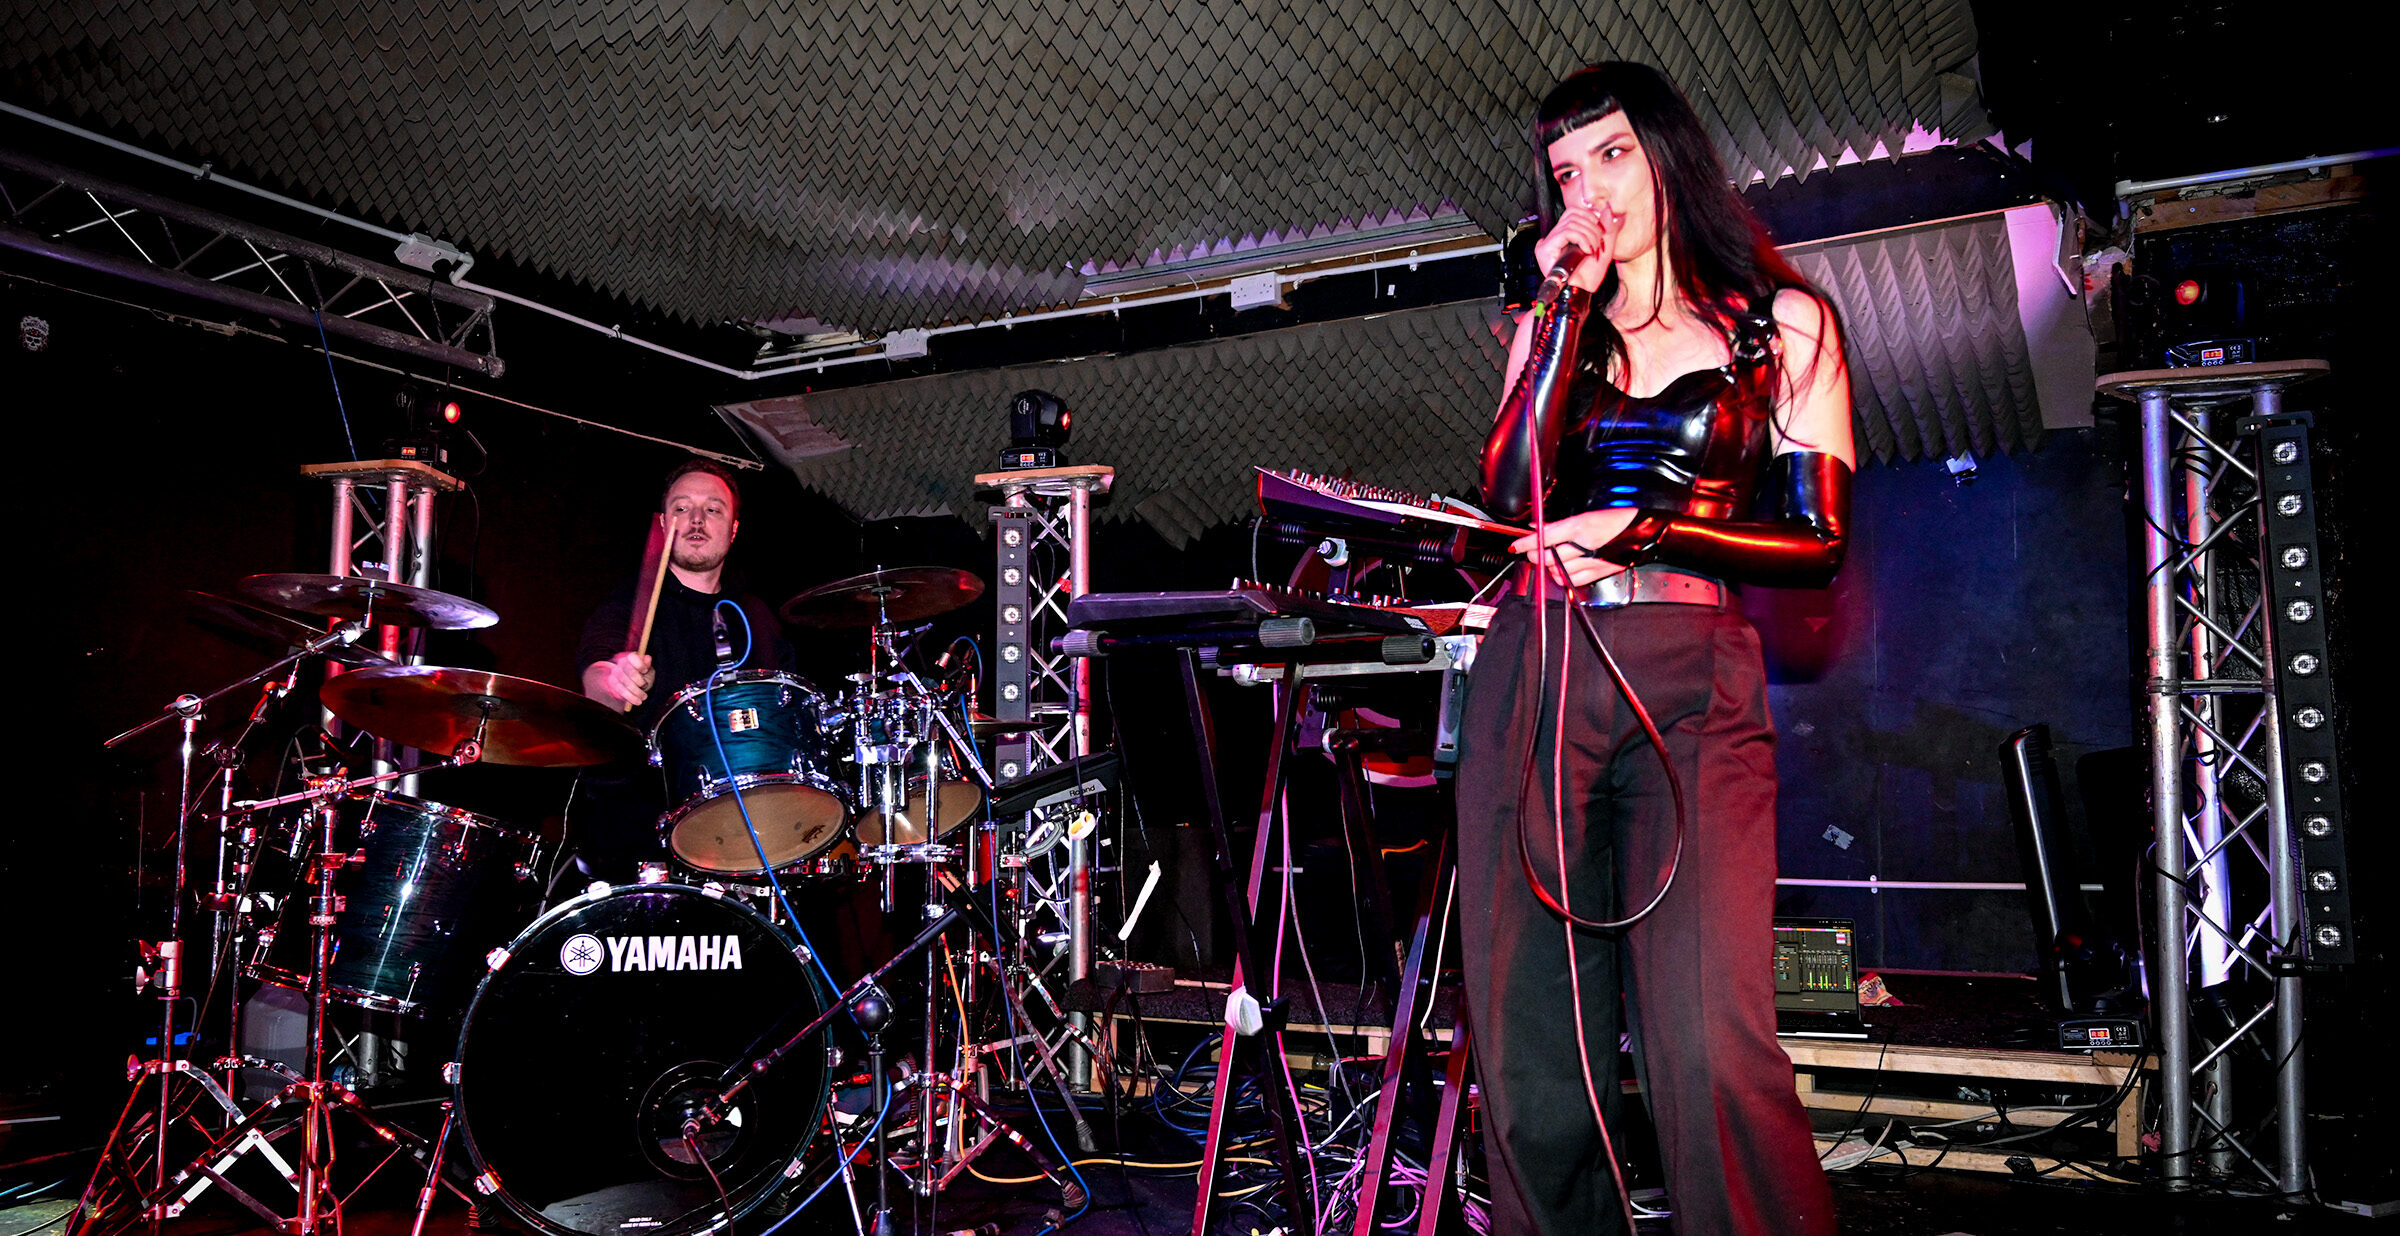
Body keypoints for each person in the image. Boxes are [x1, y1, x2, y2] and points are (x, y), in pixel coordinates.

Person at [1457, 63, 1853, 1235]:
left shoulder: (1784, 326)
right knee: (1536, 1044)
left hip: (1695, 667)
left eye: (1613, 156)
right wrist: (1556, 309)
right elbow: (1508, 492)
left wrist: (1648, 525)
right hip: (1542, 660)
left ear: (1669, 157)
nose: (1589, 188)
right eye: (1567, 172)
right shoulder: (1554, 333)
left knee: (1709, 1039)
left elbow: (1818, 542)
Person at [573, 458, 794, 879]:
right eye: (681, 508)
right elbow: (597, 681)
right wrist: (616, 678)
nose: (696, 519)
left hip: (747, 835)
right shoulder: (625, 605)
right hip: (640, 840)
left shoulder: (757, 616)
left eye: (713, 509)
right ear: (661, 524)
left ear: (733, 529)